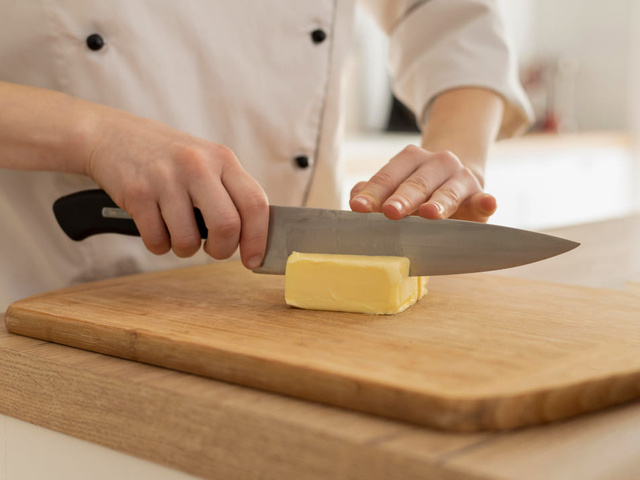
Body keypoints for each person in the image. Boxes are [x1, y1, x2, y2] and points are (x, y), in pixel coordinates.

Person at [0, 1, 533, 311]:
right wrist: (94, 133)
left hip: (292, 324)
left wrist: (455, 161)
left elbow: (450, 20)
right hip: (46, 303)